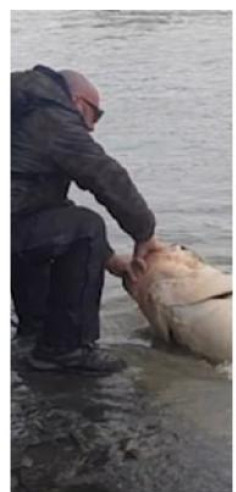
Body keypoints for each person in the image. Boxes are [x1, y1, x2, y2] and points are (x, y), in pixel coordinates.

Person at [11, 65, 161, 375]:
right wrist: (144, 233)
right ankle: (66, 349)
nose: (92, 129)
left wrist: (108, 259)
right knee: (86, 227)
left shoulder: (22, 106)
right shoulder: (51, 117)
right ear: (80, 103)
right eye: (96, 115)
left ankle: (35, 332)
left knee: (48, 225)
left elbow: (36, 202)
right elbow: (103, 174)